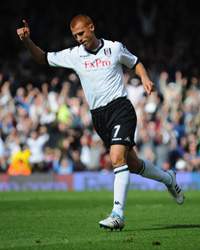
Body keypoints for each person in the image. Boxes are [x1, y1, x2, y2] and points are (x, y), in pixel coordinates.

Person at [16, 14, 184, 231]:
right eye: (75, 35)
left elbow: (135, 63)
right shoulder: (74, 55)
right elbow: (43, 58)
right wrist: (27, 41)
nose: (79, 38)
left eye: (81, 33)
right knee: (132, 164)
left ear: (92, 27)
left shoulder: (114, 48)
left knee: (116, 158)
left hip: (121, 108)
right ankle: (168, 179)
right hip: (99, 117)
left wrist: (144, 77)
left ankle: (117, 214)